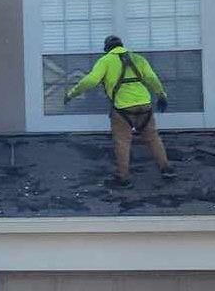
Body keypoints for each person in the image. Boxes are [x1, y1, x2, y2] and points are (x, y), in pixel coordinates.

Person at [63, 36, 174, 185]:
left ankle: (123, 177)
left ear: (107, 48)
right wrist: (161, 95)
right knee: (153, 138)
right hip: (144, 105)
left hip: (122, 109)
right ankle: (166, 169)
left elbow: (90, 81)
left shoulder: (106, 60)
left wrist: (71, 94)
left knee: (122, 142)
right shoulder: (138, 58)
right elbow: (151, 77)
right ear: (121, 45)